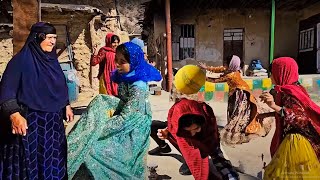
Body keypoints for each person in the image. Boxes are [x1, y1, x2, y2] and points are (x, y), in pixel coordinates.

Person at [67, 42, 162, 179]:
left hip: (133, 131)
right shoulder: (127, 77)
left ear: (134, 61)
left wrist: (97, 129)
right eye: (116, 60)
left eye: (122, 62)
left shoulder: (138, 86)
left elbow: (127, 117)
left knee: (93, 150)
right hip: (125, 122)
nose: (117, 64)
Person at [0, 22, 74, 180]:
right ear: (37, 38)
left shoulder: (52, 62)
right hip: (29, 123)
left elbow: (58, 86)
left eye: (54, 38)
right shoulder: (20, 61)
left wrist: (65, 104)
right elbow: (6, 91)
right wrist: (14, 114)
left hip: (53, 127)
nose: (53, 42)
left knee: (53, 164)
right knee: (29, 166)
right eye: (49, 38)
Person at [258, 57, 320, 179]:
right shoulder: (296, 89)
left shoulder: (290, 92)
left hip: (296, 143)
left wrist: (273, 106)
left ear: (282, 72)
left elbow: (299, 118)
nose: (271, 77)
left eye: (273, 73)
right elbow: (291, 111)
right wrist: (268, 114)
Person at [149, 98, 239, 180]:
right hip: (182, 137)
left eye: (196, 129)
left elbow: (218, 157)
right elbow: (175, 129)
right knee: (152, 125)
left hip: (202, 136)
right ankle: (165, 148)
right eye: (188, 131)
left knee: (216, 157)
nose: (192, 133)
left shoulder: (208, 126)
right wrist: (167, 132)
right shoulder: (176, 125)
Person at [199, 55, 270, 146]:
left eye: (226, 64)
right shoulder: (232, 69)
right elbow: (219, 69)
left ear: (231, 65)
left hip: (241, 93)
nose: (224, 65)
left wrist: (203, 78)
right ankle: (242, 126)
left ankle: (239, 129)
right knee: (238, 112)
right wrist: (207, 68)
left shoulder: (231, 75)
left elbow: (216, 81)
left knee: (239, 112)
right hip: (237, 92)